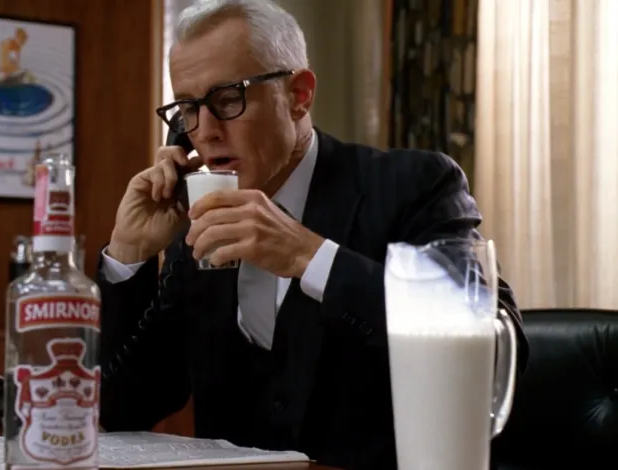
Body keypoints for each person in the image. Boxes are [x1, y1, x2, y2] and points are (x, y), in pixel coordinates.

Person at [96, 1, 529, 469]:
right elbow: (123, 411)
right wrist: (129, 255)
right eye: (188, 108)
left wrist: (312, 257)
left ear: (299, 94)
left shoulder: (414, 185)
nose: (205, 132)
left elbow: (490, 347)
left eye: (227, 99)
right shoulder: (199, 224)